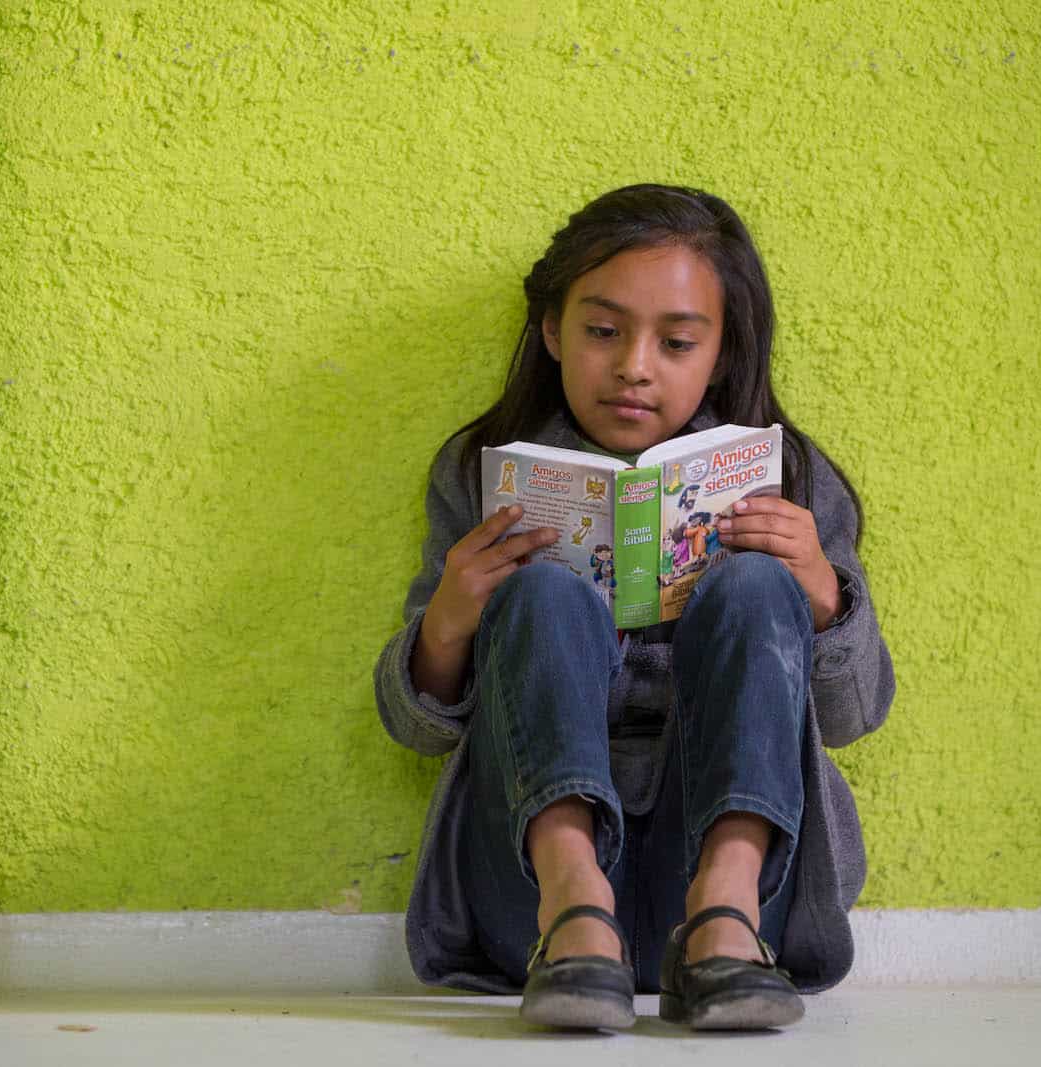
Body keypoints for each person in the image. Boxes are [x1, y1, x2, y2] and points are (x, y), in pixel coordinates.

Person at [372, 184, 894, 1032]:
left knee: (757, 582)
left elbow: (853, 713)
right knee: (541, 587)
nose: (634, 366)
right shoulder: (485, 472)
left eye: (677, 340)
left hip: (751, 902)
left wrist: (822, 594)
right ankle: (576, 898)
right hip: (536, 897)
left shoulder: (786, 475)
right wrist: (450, 622)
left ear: (721, 352)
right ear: (552, 331)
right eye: (602, 331)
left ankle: (721, 907)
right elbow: (417, 729)